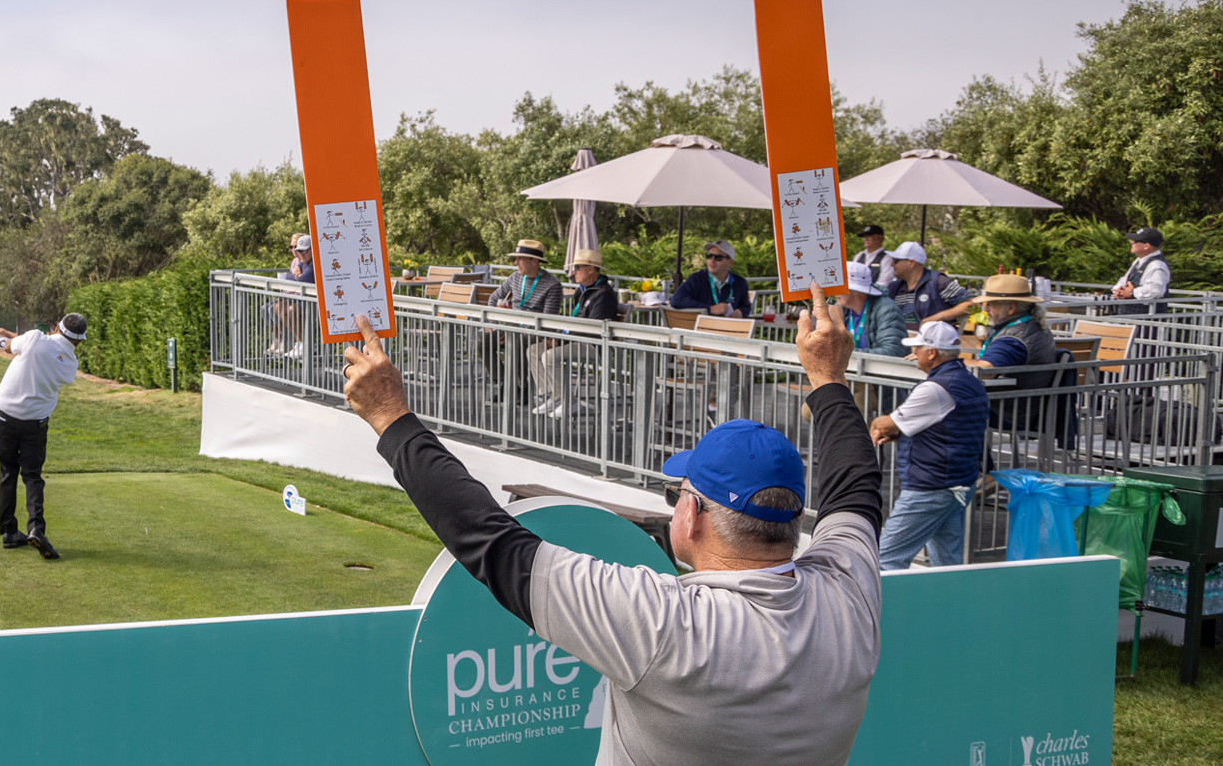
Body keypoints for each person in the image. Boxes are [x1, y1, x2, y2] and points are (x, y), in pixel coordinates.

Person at [338, 284, 883, 765]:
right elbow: (855, 489)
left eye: (680, 493)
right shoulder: (847, 594)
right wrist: (829, 377)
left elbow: (490, 541)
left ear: (692, 515)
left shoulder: (668, 626)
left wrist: (390, 416)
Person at [867, 321, 988, 570]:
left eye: (918, 348)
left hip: (930, 486)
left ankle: (884, 610)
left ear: (931, 352)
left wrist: (882, 423)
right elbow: (949, 427)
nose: (914, 355)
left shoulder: (934, 388)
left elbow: (886, 425)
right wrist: (902, 434)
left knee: (883, 560)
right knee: (946, 563)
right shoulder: (968, 380)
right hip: (958, 483)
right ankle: (950, 608)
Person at [0, 312, 87, 560]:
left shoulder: (34, 338)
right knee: (32, 477)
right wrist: (10, 336)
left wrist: (1, 341)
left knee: (8, 472)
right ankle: (36, 529)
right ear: (79, 341)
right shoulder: (70, 365)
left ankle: (9, 533)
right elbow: (35, 346)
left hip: (4, 418)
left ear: (56, 327)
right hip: (35, 426)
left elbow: (11, 347)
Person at [525, 248, 615, 419]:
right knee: (534, 350)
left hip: (594, 345)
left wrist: (561, 340)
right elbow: (575, 320)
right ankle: (553, 395)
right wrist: (559, 336)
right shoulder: (582, 290)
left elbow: (591, 328)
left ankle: (568, 401)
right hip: (574, 339)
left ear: (590, 269)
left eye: (578, 268)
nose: (574, 272)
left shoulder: (604, 294)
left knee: (550, 356)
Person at [966, 274, 1059, 431]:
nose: (985, 308)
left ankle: (969, 456)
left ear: (1011, 308)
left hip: (1007, 412)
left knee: (939, 407)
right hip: (1022, 408)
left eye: (990, 304)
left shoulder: (1014, 338)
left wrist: (945, 361)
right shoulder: (1031, 325)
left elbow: (984, 371)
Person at [877, 241, 969, 327]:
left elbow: (971, 304)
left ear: (911, 263)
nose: (892, 264)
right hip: (900, 339)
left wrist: (937, 318)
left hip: (931, 340)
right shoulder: (894, 287)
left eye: (896, 260)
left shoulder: (938, 281)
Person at [837, 259, 907, 358]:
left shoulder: (887, 309)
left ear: (855, 290)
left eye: (839, 287)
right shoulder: (839, 308)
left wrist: (846, 352)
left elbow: (892, 351)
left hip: (880, 372)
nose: (834, 292)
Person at [265, 233, 317, 359]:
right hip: (302, 299)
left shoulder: (313, 263)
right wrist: (296, 276)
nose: (301, 254)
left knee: (291, 310)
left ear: (312, 250)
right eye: (299, 251)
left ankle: (307, 343)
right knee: (277, 308)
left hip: (315, 303)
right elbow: (288, 277)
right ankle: (299, 341)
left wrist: (297, 276)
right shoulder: (302, 263)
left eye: (304, 251)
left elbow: (302, 280)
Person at [667, 240, 750, 318]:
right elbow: (676, 300)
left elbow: (746, 306)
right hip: (701, 330)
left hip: (728, 330)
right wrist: (710, 309)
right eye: (709, 256)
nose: (712, 260)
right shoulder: (696, 279)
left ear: (730, 262)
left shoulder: (740, 283)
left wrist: (742, 312)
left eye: (718, 257)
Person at [489, 239, 563, 314]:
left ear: (534, 261)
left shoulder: (552, 285)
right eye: (516, 258)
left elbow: (548, 321)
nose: (516, 262)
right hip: (511, 325)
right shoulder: (514, 277)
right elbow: (493, 298)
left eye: (520, 258)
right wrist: (493, 323)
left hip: (535, 325)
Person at [1110, 226, 1170, 314]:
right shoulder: (1138, 261)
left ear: (1146, 246)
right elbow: (1125, 279)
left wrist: (1131, 292)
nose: (1131, 242)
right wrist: (1119, 290)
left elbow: (1156, 290)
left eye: (1135, 241)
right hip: (1130, 316)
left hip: (1146, 321)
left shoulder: (1157, 265)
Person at [851, 224, 890, 289]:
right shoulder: (858, 256)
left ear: (880, 238)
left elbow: (884, 283)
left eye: (869, 236)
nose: (866, 239)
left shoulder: (887, 258)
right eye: (864, 236)